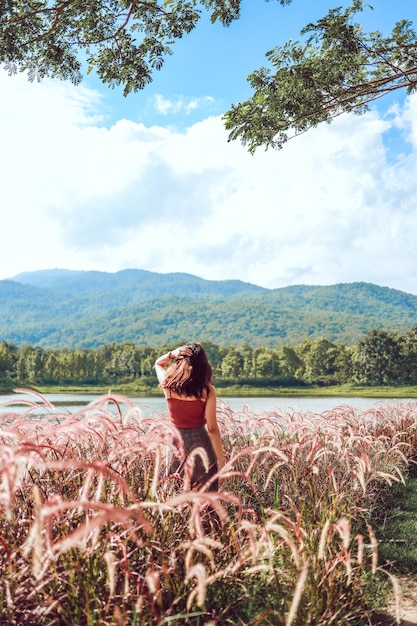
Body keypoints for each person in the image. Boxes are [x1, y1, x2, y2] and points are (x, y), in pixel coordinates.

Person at [155, 342, 225, 491]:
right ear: (203, 365)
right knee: (207, 497)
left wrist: (172, 354)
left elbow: (158, 364)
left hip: (175, 444)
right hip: (202, 446)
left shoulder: (168, 384)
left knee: (175, 492)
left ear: (180, 361)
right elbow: (212, 429)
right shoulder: (207, 390)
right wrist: (222, 462)